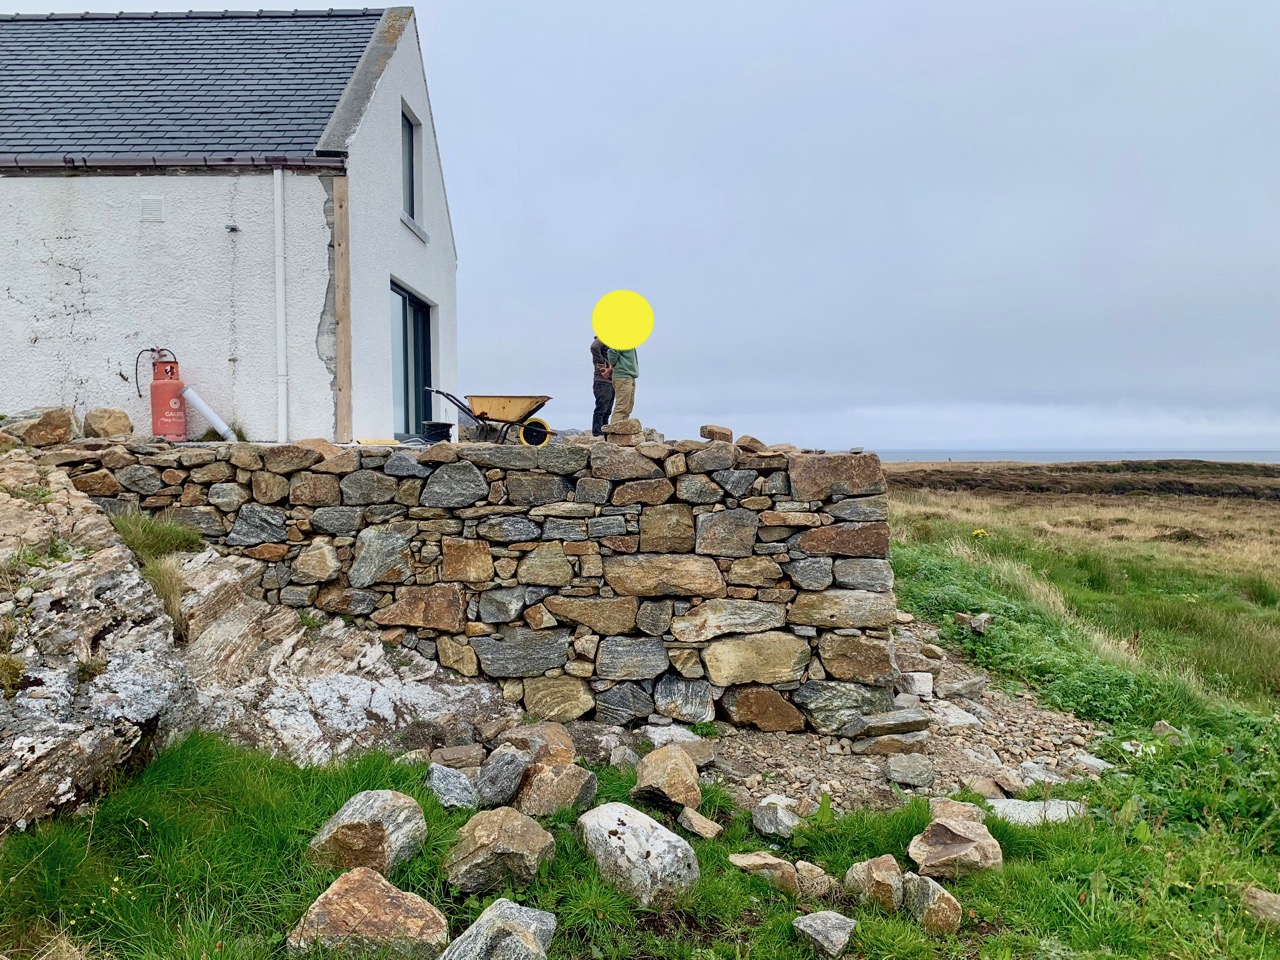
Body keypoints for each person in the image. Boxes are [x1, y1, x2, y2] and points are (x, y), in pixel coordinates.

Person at [607, 343, 639, 424]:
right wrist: (616, 366)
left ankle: (622, 432)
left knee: (627, 408)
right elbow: (612, 352)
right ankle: (614, 433)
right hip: (623, 377)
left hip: (629, 377)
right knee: (621, 408)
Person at [590, 336, 614, 436]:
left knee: (607, 410)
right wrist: (601, 363)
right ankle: (597, 434)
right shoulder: (603, 337)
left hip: (610, 381)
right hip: (602, 380)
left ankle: (604, 434)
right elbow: (594, 347)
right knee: (601, 409)